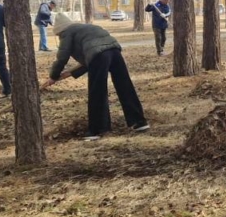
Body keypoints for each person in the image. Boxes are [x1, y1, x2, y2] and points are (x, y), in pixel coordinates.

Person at [42, 13, 149, 141]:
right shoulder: (86, 28)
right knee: (125, 86)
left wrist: (53, 76)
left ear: (60, 30)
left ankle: (96, 130)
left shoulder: (67, 33)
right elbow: (88, 60)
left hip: (99, 57)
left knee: (97, 91)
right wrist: (63, 76)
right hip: (115, 51)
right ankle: (139, 122)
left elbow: (62, 57)